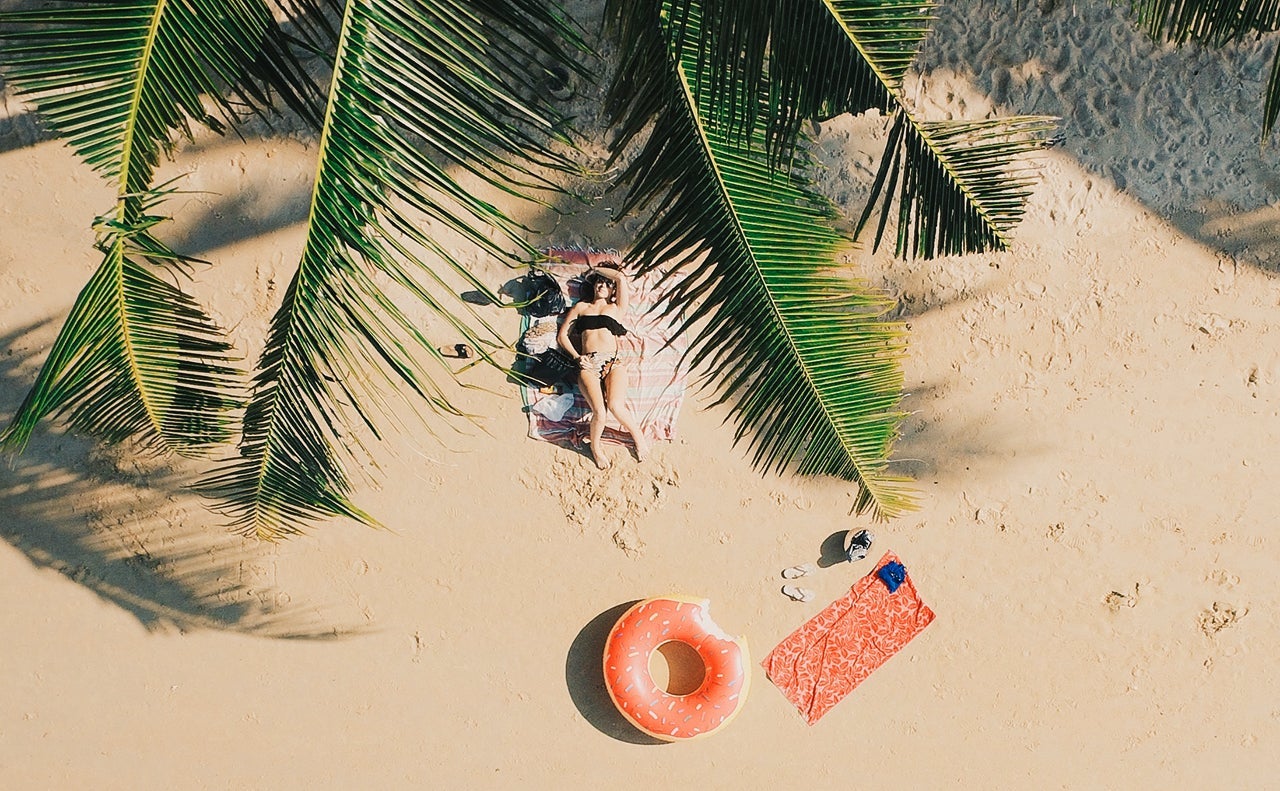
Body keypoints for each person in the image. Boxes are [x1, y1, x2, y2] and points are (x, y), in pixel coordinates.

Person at [556, 256, 650, 469]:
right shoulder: (581, 307)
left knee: (616, 406)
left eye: (607, 284)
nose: (602, 285)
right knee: (600, 411)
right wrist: (577, 358)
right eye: (598, 282)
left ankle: (638, 438)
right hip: (589, 362)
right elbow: (562, 337)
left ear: (613, 291)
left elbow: (620, 278)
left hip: (613, 362)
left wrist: (595, 270)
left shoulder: (617, 308)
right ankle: (596, 447)